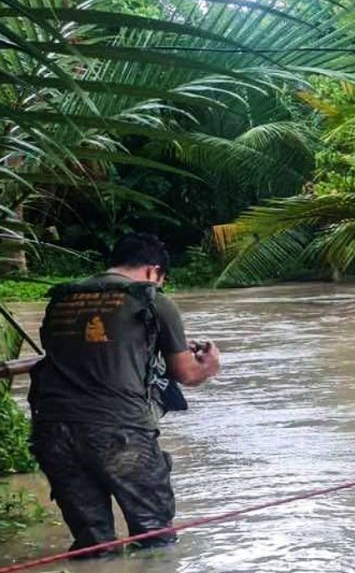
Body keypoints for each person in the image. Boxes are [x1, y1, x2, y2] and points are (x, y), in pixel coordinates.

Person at [27, 233, 222, 555]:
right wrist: (210, 365)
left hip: (53, 432)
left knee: (93, 545)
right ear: (153, 271)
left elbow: (88, 350)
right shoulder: (151, 299)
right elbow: (186, 373)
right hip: (119, 431)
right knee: (155, 539)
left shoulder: (63, 297)